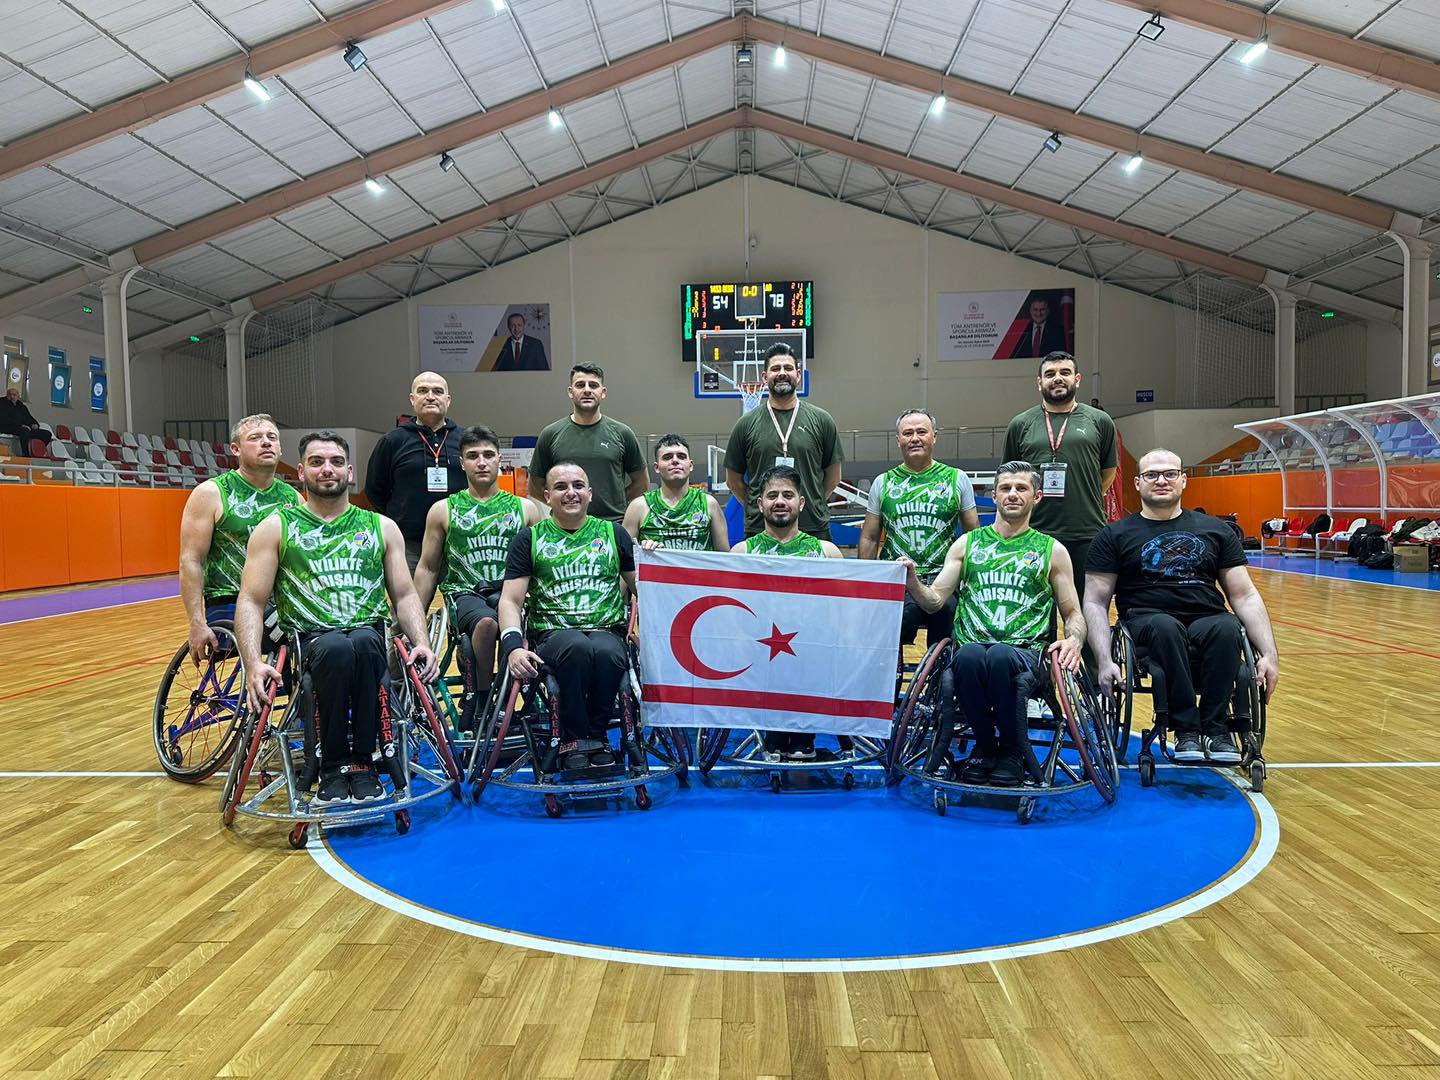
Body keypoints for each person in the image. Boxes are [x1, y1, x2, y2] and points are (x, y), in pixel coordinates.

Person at [237, 431, 438, 806]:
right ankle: (331, 765)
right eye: (316, 462)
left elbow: (405, 594)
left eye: (335, 462)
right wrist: (252, 664)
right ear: (301, 472)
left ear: (350, 472)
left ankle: (361, 762)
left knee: (363, 642)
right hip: (311, 640)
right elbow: (251, 600)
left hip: (368, 635)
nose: (326, 469)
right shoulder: (276, 527)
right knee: (337, 648)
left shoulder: (380, 527)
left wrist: (422, 643)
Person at [1084, 448, 1279, 764]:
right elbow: (1095, 600)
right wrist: (1104, 661)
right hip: (1146, 620)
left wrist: (1269, 655)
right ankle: (1185, 729)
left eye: (1170, 473)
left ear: (1183, 480)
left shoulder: (1215, 530)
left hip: (1206, 617)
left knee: (1228, 627)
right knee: (1166, 627)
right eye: (1151, 475)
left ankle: (1216, 729)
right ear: (1137, 483)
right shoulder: (1113, 535)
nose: (1161, 480)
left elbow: (1244, 595)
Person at [898, 461, 1085, 787]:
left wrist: (1075, 640)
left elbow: (1073, 614)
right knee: (969, 655)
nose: (1012, 494)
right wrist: (913, 581)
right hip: (972, 649)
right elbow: (935, 601)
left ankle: (1011, 750)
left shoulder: (1052, 550)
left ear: (1037, 496)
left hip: (1025, 653)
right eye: (1005, 488)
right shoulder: (967, 544)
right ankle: (985, 746)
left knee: (999, 655)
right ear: (994, 496)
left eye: (1021, 488)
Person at [500, 462, 637, 771]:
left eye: (578, 486)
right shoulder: (529, 539)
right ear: (547, 496)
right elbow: (510, 599)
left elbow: (642, 587)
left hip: (606, 629)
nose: (571, 493)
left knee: (607, 652)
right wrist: (513, 647)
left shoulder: (614, 533)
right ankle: (572, 738)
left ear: (590, 493)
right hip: (552, 633)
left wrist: (651, 556)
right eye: (561, 487)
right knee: (577, 647)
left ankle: (596, 736)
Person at [414, 424, 541, 733]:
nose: (481, 462)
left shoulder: (525, 508)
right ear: (462, 463)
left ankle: (504, 697)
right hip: (465, 594)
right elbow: (428, 567)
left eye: (488, 455)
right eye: (473, 456)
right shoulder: (443, 509)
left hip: (509, 593)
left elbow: (540, 566)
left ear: (500, 460)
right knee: (486, 623)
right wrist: (415, 619)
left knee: (508, 618)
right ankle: (482, 700)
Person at [732, 465, 842, 760]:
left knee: (808, 650)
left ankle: (804, 734)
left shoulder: (826, 552)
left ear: (801, 503)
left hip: (811, 651)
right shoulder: (742, 553)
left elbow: (842, 612)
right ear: (760, 504)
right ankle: (776, 733)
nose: (779, 501)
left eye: (787, 495)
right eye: (772, 496)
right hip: (759, 652)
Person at [177, 413, 300, 664]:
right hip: (230, 602)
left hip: (280, 601)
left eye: (272, 437)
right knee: (298, 630)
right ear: (236, 449)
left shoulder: (294, 498)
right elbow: (191, 560)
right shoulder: (211, 493)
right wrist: (196, 622)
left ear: (280, 448)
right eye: (255, 438)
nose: (266, 442)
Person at [1002, 351, 1116, 622]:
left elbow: (1108, 473)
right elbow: (1010, 478)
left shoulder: (1100, 421)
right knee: (1032, 613)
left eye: (1064, 372)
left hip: (1086, 531)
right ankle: (1039, 653)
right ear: (1039, 382)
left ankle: (1085, 654)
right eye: (1050, 374)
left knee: (1087, 611)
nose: (1057, 379)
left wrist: (1083, 498)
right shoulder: (1020, 424)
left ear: (1077, 379)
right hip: (1032, 532)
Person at [859, 408, 979, 645]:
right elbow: (870, 538)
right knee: (898, 623)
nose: (915, 438)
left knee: (948, 622)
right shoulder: (883, 482)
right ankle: (891, 668)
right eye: (908, 433)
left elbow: (973, 536)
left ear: (934, 436)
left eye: (921, 432)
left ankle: (941, 667)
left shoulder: (957, 479)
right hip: (897, 581)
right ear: (898, 439)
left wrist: (972, 582)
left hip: (943, 580)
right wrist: (866, 585)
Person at [725, 343, 843, 541]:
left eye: (788, 368)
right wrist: (758, 507)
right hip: (760, 528)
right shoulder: (745, 424)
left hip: (812, 525)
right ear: (765, 378)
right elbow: (733, 481)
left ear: (798, 375)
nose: (782, 373)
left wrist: (810, 503)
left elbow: (833, 476)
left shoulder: (822, 420)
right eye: (775, 369)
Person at [365, 371, 465, 570]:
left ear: (448, 400)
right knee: (407, 592)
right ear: (412, 399)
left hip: (458, 542)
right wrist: (399, 518)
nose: (430, 396)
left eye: (438, 391)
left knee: (461, 592)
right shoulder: (393, 440)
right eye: (423, 391)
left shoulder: (465, 440)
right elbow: (375, 489)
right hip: (408, 545)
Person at [528, 363, 646, 523]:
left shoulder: (623, 433)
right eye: (580, 385)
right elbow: (535, 486)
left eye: (593, 385)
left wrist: (618, 502)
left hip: (612, 524)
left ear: (603, 392)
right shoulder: (550, 434)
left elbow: (641, 482)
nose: (587, 390)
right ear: (570, 392)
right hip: (565, 527)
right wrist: (562, 507)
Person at [622, 434, 727, 551]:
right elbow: (625, 557)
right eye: (667, 457)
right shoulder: (639, 507)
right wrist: (643, 551)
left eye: (681, 456)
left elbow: (725, 557)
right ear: (656, 467)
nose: (675, 460)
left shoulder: (708, 504)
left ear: (691, 465)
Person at [0, 387, 52, 454]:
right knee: (24, 431)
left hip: (24, 428)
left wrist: (34, 424)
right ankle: (25, 454)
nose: (12, 396)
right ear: (7, 395)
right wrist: (21, 425)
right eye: (10, 394)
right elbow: (4, 419)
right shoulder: (2, 403)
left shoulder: (21, 406)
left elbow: (29, 417)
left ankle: (38, 452)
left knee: (47, 434)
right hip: (8, 427)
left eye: (14, 395)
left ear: (18, 396)